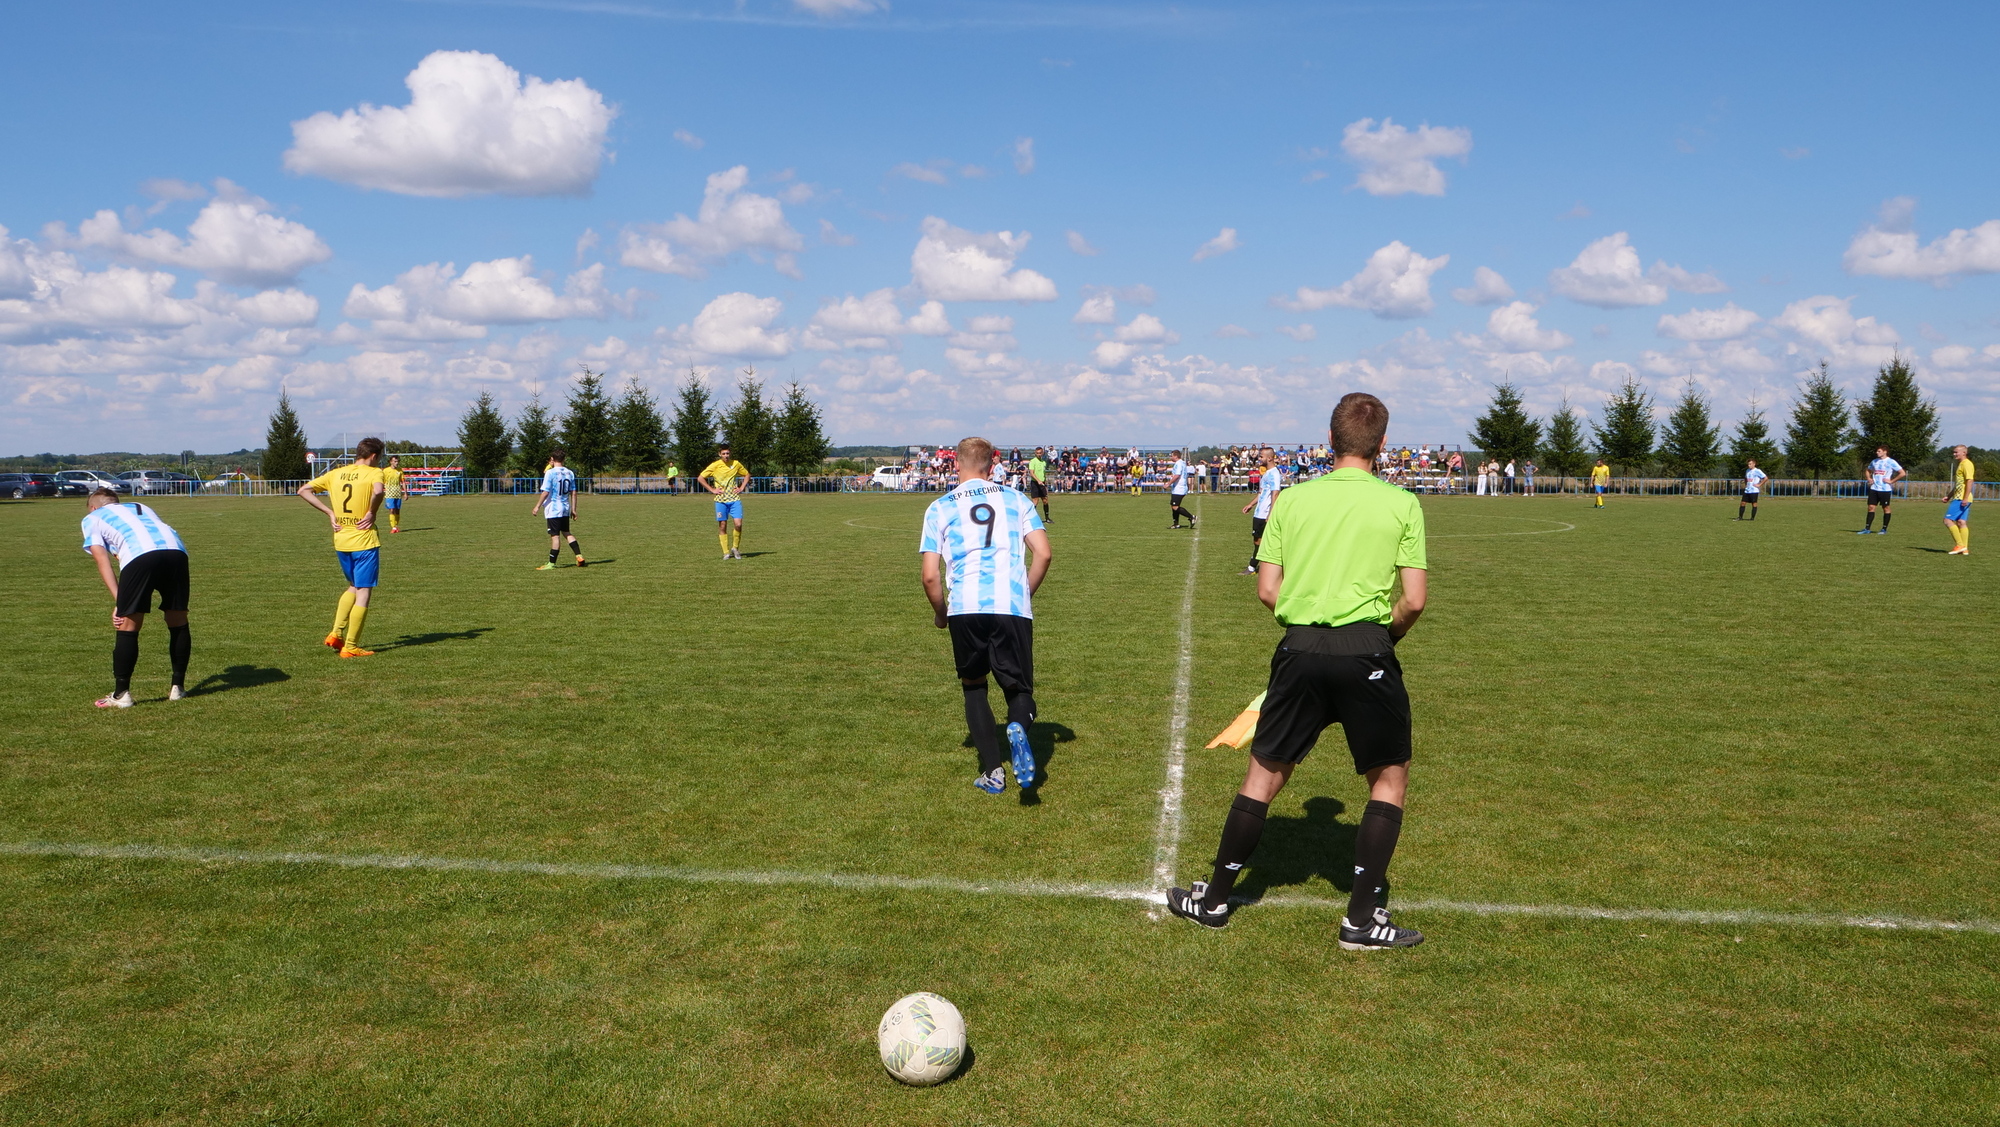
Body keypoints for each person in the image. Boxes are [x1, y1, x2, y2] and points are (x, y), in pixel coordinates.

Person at [1168, 392, 1429, 950]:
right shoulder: (1402, 503)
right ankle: (1360, 921)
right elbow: (1413, 600)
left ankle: (1214, 901)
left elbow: (1268, 590)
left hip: (1300, 649)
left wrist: (1308, 622)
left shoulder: (1291, 499)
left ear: (1329, 439)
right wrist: (1381, 637)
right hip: (1369, 650)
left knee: (1262, 776)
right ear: (1383, 444)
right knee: (1388, 780)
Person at [919, 437, 1053, 795]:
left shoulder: (939, 507)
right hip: (1010, 605)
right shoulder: (1017, 499)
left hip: (965, 607)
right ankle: (1018, 725)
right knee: (1019, 689)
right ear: (992, 466)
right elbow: (1043, 554)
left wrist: (941, 614)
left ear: (955, 464)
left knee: (974, 686)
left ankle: (993, 772)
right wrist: (1023, 594)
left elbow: (930, 576)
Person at [80, 489, 192, 708]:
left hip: (141, 555)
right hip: (176, 552)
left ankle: (121, 694)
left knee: (129, 625)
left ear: (93, 507)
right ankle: (178, 688)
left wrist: (120, 602)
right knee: (178, 619)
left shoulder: (92, 517)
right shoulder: (141, 507)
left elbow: (102, 560)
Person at [297, 437, 387, 658]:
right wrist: (372, 512)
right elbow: (378, 492)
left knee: (353, 586)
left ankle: (336, 634)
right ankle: (351, 646)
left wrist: (329, 512)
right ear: (374, 456)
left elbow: (303, 490)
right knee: (363, 591)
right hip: (364, 540)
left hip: (341, 539)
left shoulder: (336, 473)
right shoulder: (375, 472)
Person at [532, 449, 588, 569]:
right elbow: (573, 493)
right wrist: (573, 509)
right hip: (565, 508)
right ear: (564, 459)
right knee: (566, 532)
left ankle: (551, 563)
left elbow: (545, 492)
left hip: (553, 509)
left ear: (552, 459)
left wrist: (537, 506)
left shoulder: (550, 473)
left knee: (555, 536)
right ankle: (579, 556)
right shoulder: (570, 473)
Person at [700, 445, 751, 559]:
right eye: (723, 454)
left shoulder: (736, 464)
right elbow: (700, 478)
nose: (726, 456)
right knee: (723, 525)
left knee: (738, 524)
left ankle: (735, 548)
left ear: (730, 453)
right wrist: (712, 490)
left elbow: (747, 474)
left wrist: (742, 487)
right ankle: (726, 552)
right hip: (720, 501)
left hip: (734, 499)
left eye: (727, 453)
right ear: (720, 454)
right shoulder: (715, 465)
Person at [1240, 448, 1284, 576]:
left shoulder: (1274, 474)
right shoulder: (1266, 473)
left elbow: (1275, 494)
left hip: (1265, 514)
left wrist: (1271, 513)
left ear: (1269, 458)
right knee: (1257, 540)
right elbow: (1261, 493)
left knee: (1263, 541)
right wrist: (1251, 504)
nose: (1259, 459)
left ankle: (1252, 567)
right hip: (1259, 513)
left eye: (1261, 456)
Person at [1860, 445, 1905, 534]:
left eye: (1879, 451)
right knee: (1871, 507)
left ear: (1885, 452)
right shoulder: (1874, 461)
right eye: (1877, 451)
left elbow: (1902, 473)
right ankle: (1867, 528)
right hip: (1874, 488)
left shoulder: (1891, 462)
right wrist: (1869, 478)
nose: (1877, 453)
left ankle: (1884, 529)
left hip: (1885, 489)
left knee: (1886, 508)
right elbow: (1868, 470)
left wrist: (1892, 481)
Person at [1945, 444, 1975, 555]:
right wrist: (1949, 496)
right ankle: (1964, 548)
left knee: (1947, 520)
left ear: (1964, 452)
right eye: (1954, 452)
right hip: (1961, 497)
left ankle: (1960, 545)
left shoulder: (1967, 464)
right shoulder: (1961, 464)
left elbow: (1970, 481)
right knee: (1961, 522)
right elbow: (1959, 484)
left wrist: (1965, 498)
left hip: (1961, 498)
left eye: (1956, 452)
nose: (1954, 454)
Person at [1168, 450, 1196, 530]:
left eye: (1172, 456)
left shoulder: (1179, 464)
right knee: (1173, 506)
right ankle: (1176, 524)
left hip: (1179, 488)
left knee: (1175, 506)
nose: (1171, 457)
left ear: (1176, 456)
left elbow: (1177, 475)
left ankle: (1191, 517)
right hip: (1179, 488)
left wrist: (1168, 483)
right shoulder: (1182, 463)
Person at [1025, 447, 1052, 524]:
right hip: (1035, 483)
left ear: (1042, 453)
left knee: (1045, 500)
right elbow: (1031, 473)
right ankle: (1029, 518)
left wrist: (1044, 482)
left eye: (1040, 453)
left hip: (1042, 483)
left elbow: (1043, 473)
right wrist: (1038, 480)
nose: (1039, 454)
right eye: (1037, 453)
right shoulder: (1032, 461)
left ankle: (1047, 518)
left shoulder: (1043, 462)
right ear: (1035, 453)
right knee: (1035, 501)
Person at [381, 455, 406, 533]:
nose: (396, 463)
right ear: (391, 462)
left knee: (397, 510)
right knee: (391, 509)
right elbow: (382, 481)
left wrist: (405, 493)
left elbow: (403, 482)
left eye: (397, 461)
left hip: (398, 493)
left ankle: (396, 526)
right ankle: (393, 527)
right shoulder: (385, 471)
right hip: (389, 493)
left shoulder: (400, 470)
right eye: (395, 461)